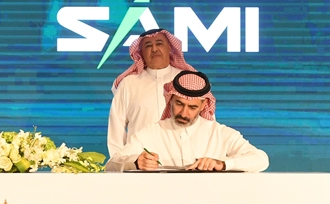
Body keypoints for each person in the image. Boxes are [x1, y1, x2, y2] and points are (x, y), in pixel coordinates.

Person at [106, 70, 269, 172]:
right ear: (170, 99)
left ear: (203, 105)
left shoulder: (220, 133)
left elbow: (261, 159)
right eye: (179, 104)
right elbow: (111, 165)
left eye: (192, 107)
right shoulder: (151, 133)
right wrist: (135, 162)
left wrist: (223, 164)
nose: (184, 113)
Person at [107, 29, 196, 157]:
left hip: (184, 161)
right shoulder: (128, 83)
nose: (154, 49)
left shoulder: (188, 79)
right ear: (141, 53)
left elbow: (207, 123)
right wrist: (120, 163)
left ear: (169, 48)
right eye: (148, 46)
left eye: (159, 43)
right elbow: (116, 128)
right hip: (140, 162)